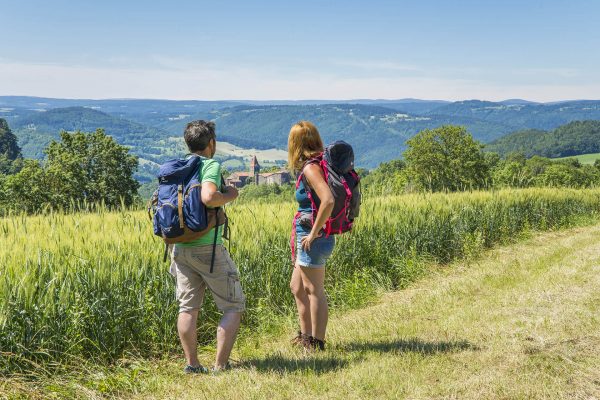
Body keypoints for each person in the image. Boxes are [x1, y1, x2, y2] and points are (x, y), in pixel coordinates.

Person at [169, 120, 245, 373]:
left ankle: (192, 365)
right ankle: (220, 366)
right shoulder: (209, 164)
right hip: (207, 248)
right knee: (233, 305)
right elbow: (209, 197)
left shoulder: (179, 167)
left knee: (188, 307)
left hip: (179, 247)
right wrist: (231, 195)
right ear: (211, 143)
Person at [288, 121, 335, 351]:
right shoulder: (317, 163)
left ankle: (317, 343)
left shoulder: (310, 168)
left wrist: (313, 233)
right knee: (297, 287)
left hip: (313, 238)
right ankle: (306, 336)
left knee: (313, 290)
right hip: (307, 235)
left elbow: (328, 200)